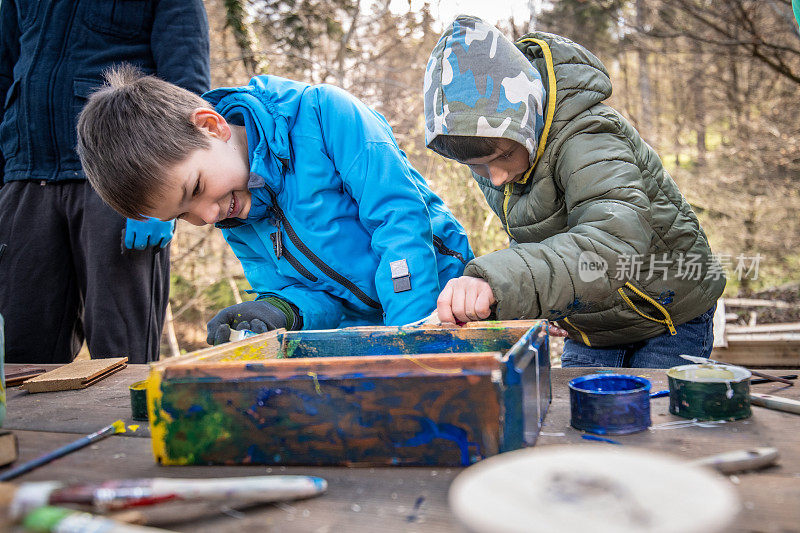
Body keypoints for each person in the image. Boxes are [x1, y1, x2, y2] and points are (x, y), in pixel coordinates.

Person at [76, 67, 474, 343]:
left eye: (195, 188)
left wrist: (410, 337)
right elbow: (310, 294)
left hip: (446, 303)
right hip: (370, 336)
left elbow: (399, 222)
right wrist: (280, 310)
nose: (207, 216)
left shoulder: (326, 115)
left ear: (211, 126)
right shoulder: (234, 214)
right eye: (182, 216)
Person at [423, 15, 725, 368]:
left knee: (654, 418)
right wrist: (543, 298)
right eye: (478, 166)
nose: (497, 177)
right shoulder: (497, 161)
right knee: (577, 415)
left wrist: (501, 280)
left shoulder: (588, 134)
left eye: (503, 156)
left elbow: (612, 243)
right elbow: (536, 233)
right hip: (593, 324)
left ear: (526, 117)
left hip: (668, 312)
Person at [0, 0, 210, 364]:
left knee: (123, 351)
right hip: (24, 179)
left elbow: (186, 87)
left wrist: (159, 201)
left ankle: (127, 424)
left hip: (119, 183)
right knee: (20, 350)